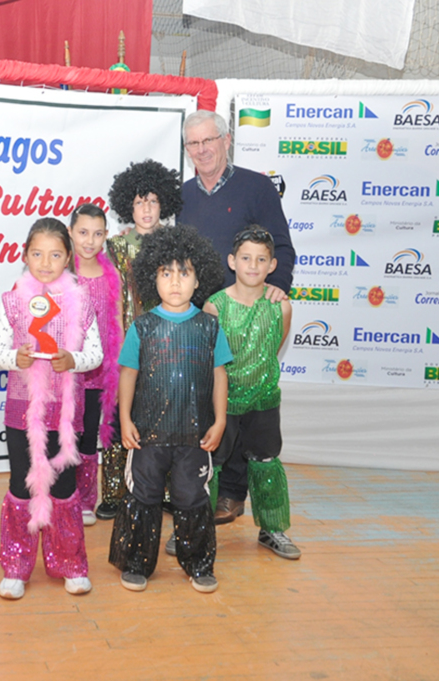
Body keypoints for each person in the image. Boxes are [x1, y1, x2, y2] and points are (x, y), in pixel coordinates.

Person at [178, 110, 295, 525]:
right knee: (206, 407)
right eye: (194, 143)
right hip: (196, 314)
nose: (202, 149)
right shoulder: (183, 194)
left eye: (209, 140)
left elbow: (280, 243)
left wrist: (277, 286)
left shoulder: (257, 187)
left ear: (227, 141)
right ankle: (195, 491)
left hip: (247, 313)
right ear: (187, 149)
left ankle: (232, 494)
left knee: (245, 409)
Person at [109, 224, 230, 595]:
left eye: (184, 272)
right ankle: (136, 562)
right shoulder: (142, 328)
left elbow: (220, 375)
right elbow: (127, 375)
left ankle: (199, 564)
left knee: (192, 499)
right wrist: (126, 418)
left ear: (199, 280)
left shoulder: (210, 327)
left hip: (195, 436)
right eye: (166, 273)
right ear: (152, 278)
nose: (175, 281)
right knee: (142, 498)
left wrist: (221, 420)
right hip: (147, 436)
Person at [0, 218, 102, 600]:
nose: (46, 262)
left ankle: (69, 562)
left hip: (66, 415)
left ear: (68, 258)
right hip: (22, 412)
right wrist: (15, 357)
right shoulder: (13, 301)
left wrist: (73, 359)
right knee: (23, 486)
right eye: (37, 254)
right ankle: (17, 565)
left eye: (55, 255)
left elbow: (96, 354)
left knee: (65, 488)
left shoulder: (82, 302)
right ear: (24, 255)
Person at [204, 227, 300, 560]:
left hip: (263, 403)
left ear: (272, 265)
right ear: (232, 261)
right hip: (222, 403)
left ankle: (273, 529)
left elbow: (272, 349)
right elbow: (210, 360)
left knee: (266, 463)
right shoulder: (214, 307)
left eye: (261, 260)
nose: (253, 266)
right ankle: (195, 529)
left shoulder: (281, 308)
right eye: (246, 258)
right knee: (208, 466)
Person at [96, 160, 182, 521]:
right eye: (138, 202)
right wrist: (118, 346)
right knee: (118, 417)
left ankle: (162, 489)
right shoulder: (115, 247)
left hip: (169, 344)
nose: (146, 209)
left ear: (164, 205)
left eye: (153, 201)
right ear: (126, 208)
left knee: (163, 417)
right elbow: (113, 299)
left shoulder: (177, 243)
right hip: (128, 343)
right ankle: (114, 493)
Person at [68, 203, 123, 526]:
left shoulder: (110, 273)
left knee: (89, 435)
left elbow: (115, 320)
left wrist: (117, 366)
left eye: (98, 234)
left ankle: (86, 499)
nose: (90, 241)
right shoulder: (62, 269)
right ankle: (64, 496)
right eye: (83, 232)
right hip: (66, 368)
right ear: (71, 232)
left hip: (98, 369)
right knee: (65, 434)